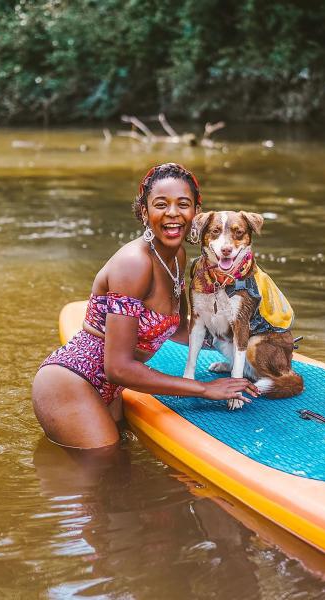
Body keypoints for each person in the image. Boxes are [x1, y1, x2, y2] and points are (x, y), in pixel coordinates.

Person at [32, 163, 258, 449]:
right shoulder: (134, 263)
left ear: (196, 213)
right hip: (72, 383)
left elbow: (183, 330)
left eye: (183, 204)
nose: (173, 213)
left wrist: (249, 348)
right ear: (144, 212)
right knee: (105, 473)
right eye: (161, 204)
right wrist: (203, 388)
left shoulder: (178, 256)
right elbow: (118, 367)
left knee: (127, 467)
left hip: (113, 390)